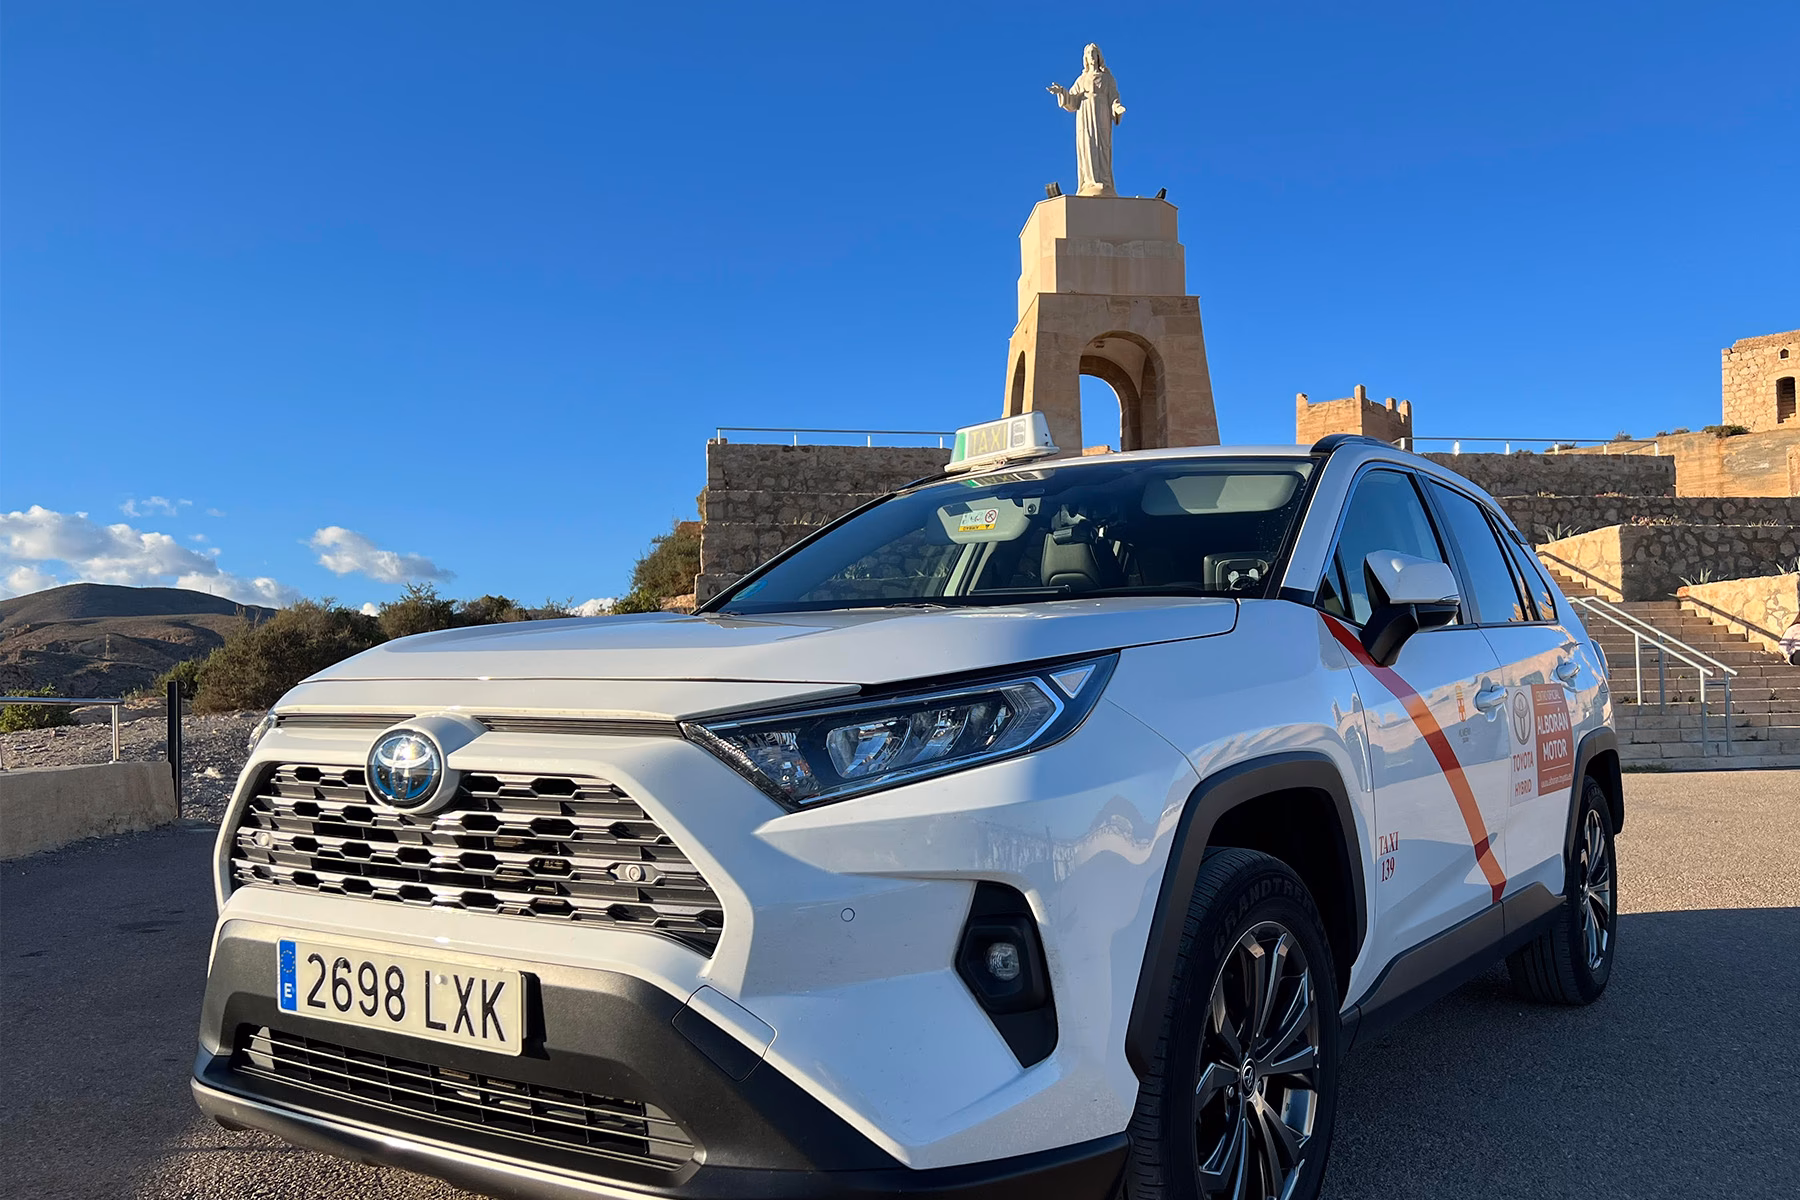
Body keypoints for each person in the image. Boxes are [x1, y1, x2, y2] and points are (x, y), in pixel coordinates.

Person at [1048, 44, 1127, 197]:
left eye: (1094, 53)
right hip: (1084, 115)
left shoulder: (1107, 78)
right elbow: (1071, 100)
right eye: (1089, 53)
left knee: (1102, 146)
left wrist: (1117, 108)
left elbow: (1114, 97)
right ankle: (1089, 182)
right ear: (1085, 58)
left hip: (1102, 113)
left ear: (1099, 57)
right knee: (1088, 146)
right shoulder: (1081, 80)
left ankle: (1103, 181)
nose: (1091, 56)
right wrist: (1061, 92)